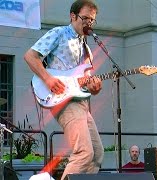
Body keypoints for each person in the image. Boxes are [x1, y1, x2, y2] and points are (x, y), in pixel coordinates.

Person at [24, 1, 104, 179]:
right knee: (84, 152)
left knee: (97, 154)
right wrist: (48, 78)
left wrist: (95, 88)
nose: (88, 24)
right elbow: (30, 56)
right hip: (63, 100)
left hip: (81, 102)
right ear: (73, 16)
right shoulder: (59, 33)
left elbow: (86, 84)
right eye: (85, 18)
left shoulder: (87, 49)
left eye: (92, 20)